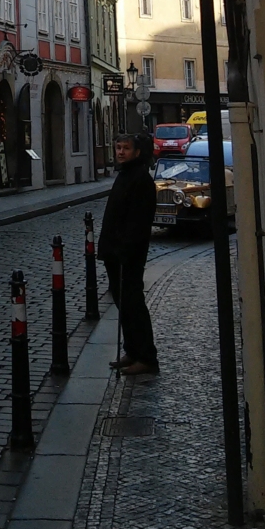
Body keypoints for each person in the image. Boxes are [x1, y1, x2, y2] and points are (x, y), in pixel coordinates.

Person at [97, 131, 159, 375]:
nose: (120, 152)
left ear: (137, 152)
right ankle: (132, 350)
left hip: (127, 255)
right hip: (115, 251)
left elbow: (138, 222)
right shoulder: (125, 175)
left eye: (125, 148)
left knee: (133, 305)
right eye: (118, 147)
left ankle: (146, 356)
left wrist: (125, 250)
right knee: (124, 304)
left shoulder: (140, 179)